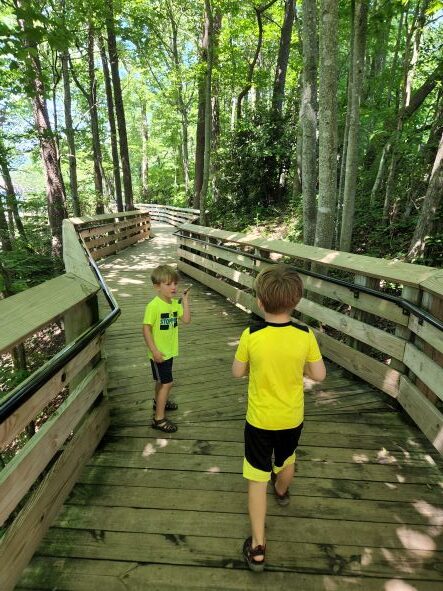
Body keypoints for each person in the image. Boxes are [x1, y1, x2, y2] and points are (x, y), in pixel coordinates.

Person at [232, 264, 326, 572]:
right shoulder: (304, 335)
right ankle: (283, 491)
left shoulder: (252, 334)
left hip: (259, 420)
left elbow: (237, 372)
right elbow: (319, 374)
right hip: (291, 418)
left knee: (256, 479)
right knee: (286, 458)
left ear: (260, 302)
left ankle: (258, 545)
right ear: (296, 301)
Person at [143, 264, 191, 433]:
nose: (173, 287)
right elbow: (146, 329)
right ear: (157, 286)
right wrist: (154, 351)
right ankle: (159, 419)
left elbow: (186, 320)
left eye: (175, 284)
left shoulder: (173, 304)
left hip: (170, 352)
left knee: (161, 381)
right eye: (169, 284)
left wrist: (184, 301)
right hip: (159, 353)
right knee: (167, 383)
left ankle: (158, 402)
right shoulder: (153, 306)